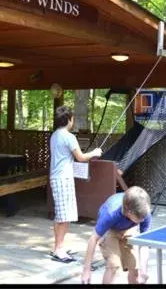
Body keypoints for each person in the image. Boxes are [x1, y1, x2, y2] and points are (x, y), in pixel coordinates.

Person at [49, 106, 102, 263]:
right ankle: (59, 249)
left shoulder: (54, 135)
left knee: (60, 215)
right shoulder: (68, 137)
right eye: (72, 118)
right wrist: (95, 153)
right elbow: (80, 157)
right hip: (63, 178)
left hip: (56, 177)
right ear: (68, 119)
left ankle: (58, 247)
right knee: (64, 216)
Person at [81, 186, 151, 284]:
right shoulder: (110, 214)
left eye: (144, 216)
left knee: (135, 268)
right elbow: (93, 239)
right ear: (129, 212)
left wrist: (143, 271)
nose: (143, 220)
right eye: (140, 218)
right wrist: (86, 270)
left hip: (128, 228)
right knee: (113, 265)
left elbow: (145, 242)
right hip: (110, 229)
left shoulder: (143, 212)